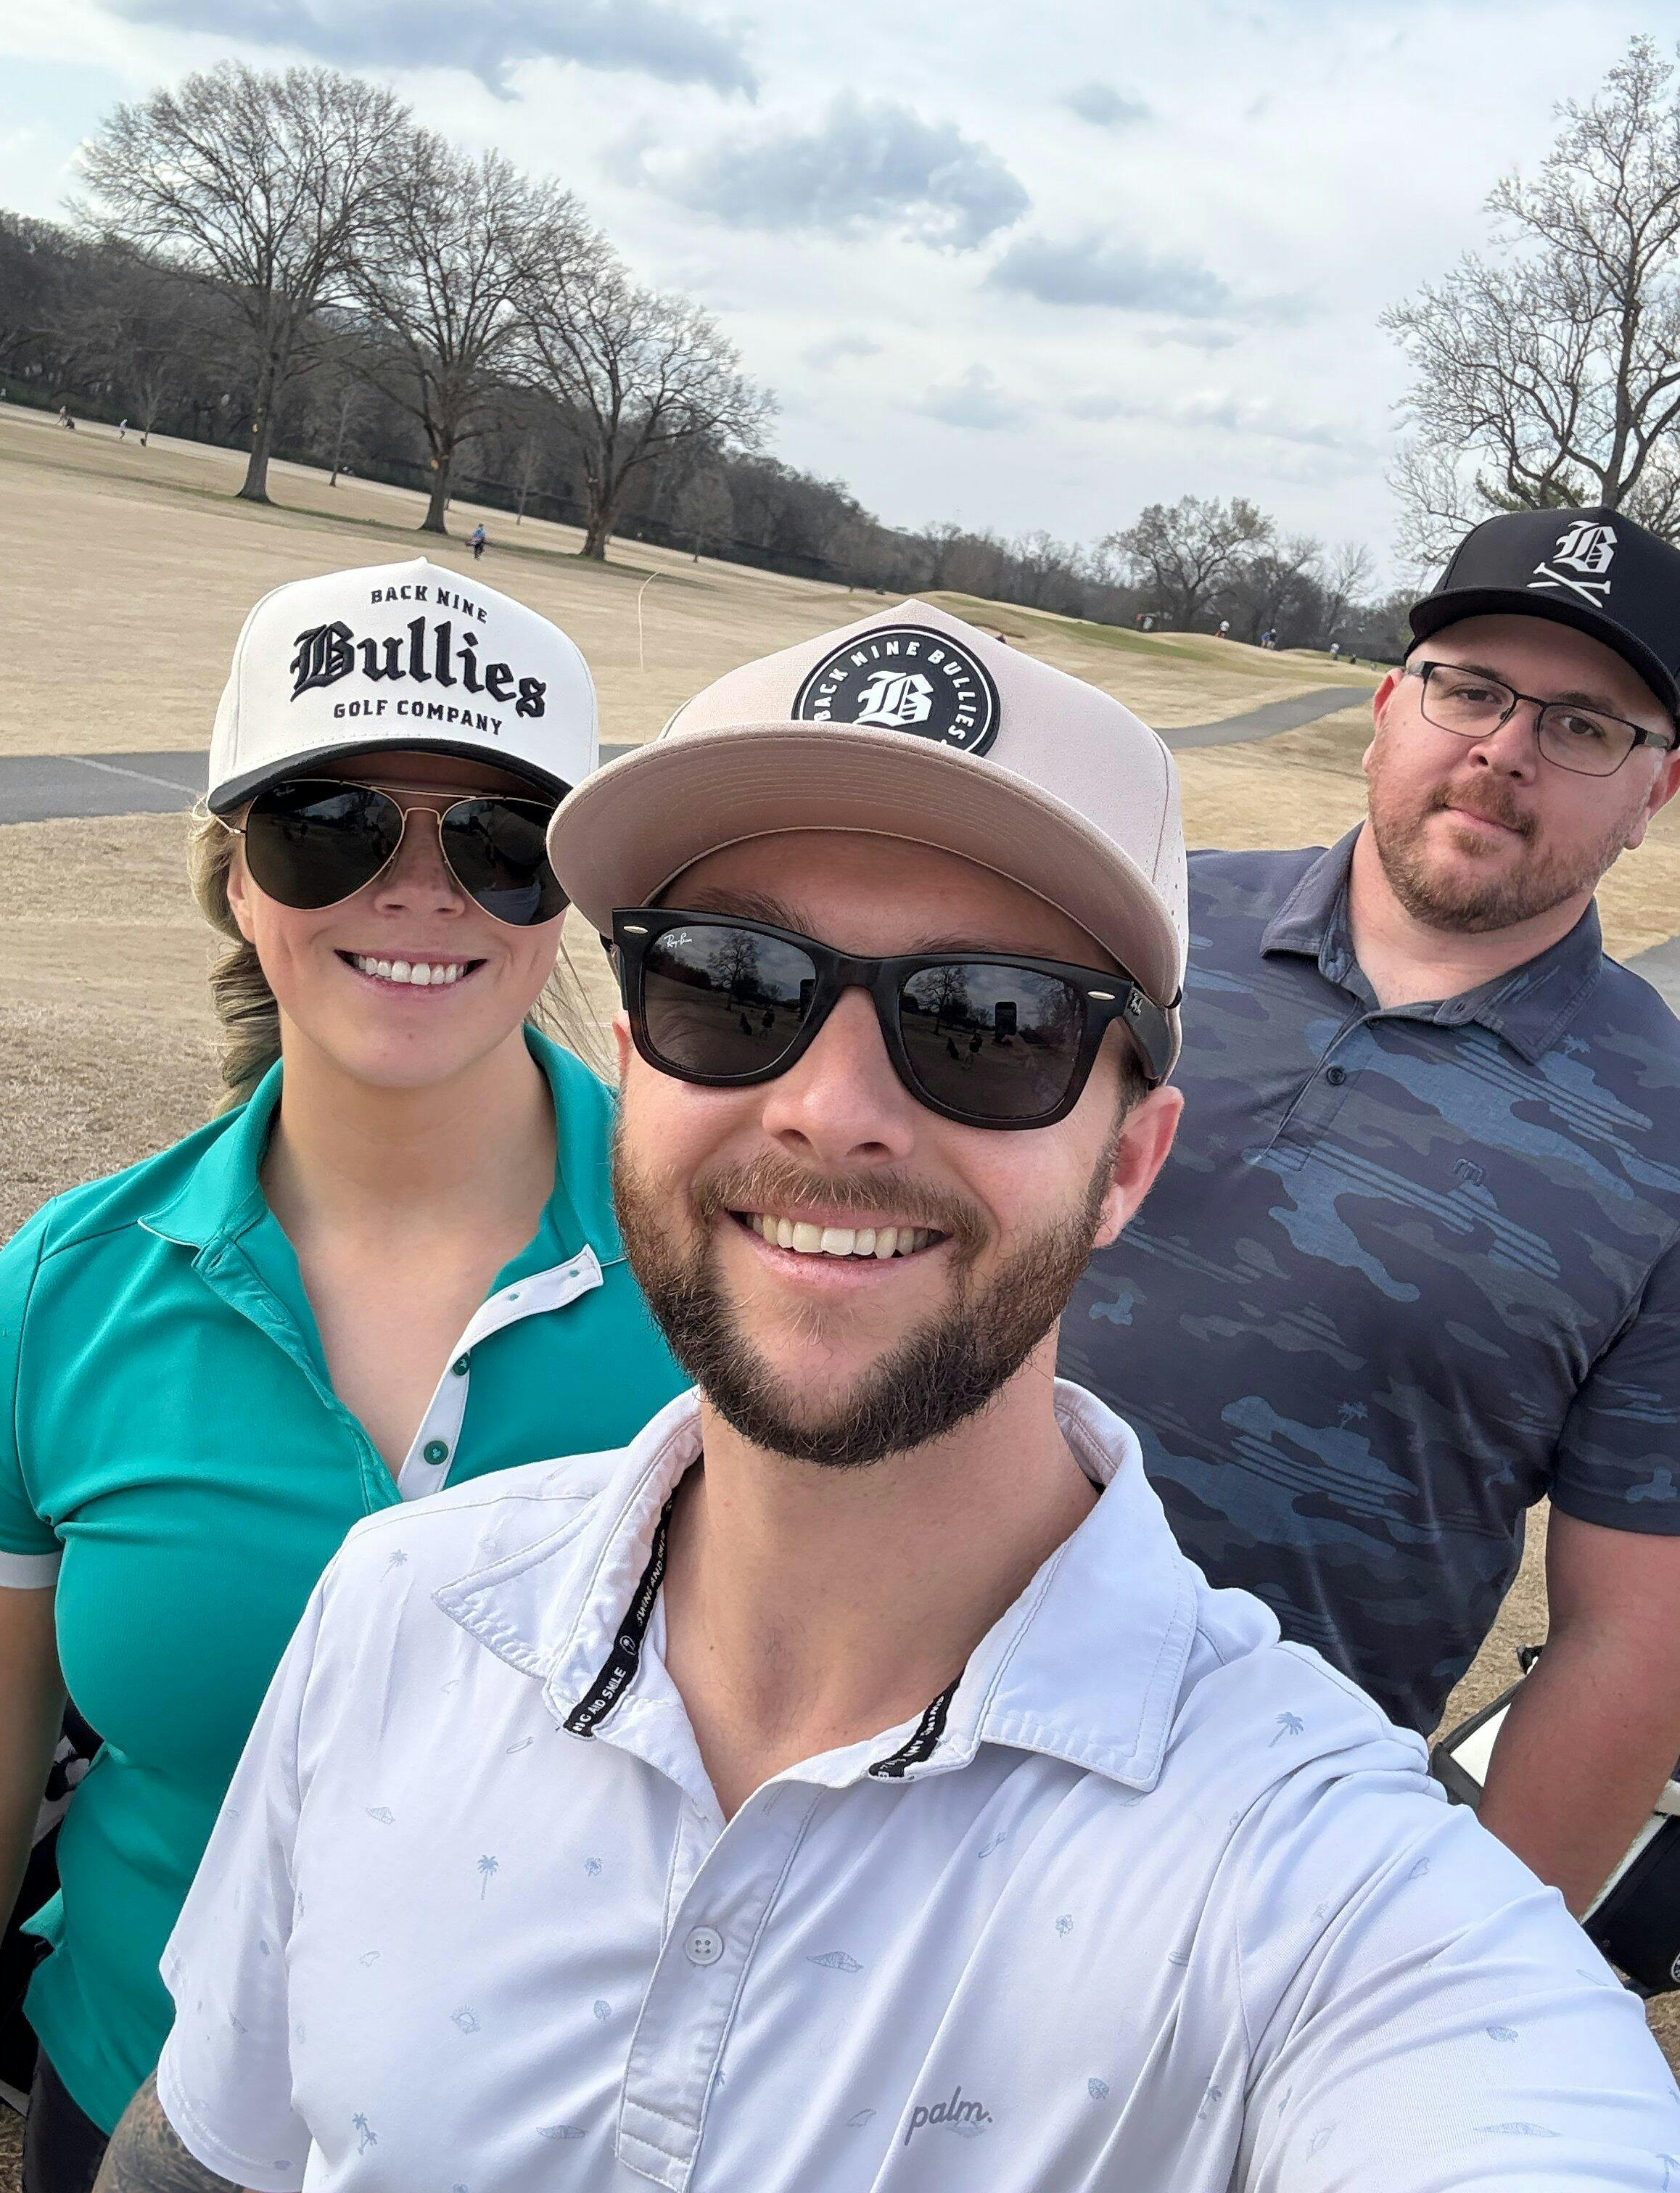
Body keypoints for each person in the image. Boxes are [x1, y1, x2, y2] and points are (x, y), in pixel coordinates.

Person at [103, 602, 1677, 2191]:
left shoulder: (1321, 1883)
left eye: (989, 1023)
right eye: (731, 983)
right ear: (632, 1059)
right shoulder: (401, 1605)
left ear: (1131, 1162)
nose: (830, 1108)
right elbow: (204, 2154)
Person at [0, 556, 688, 2189]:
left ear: (565, 900)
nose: (420, 891)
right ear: (239, 879)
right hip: (126, 2095)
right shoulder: (62, 1291)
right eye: (330, 824)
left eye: (502, 842)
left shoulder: (727, 1277)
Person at [1062, 505, 1680, 1915]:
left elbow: (1634, 1639)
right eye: (1472, 688)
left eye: (1585, 726)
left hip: (1252, 1863)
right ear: (1390, 707)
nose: (1507, 749)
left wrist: (1461, 1960)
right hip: (881, 1695)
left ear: (1659, 790)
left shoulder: (1667, 1140)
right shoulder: (1135, 935)